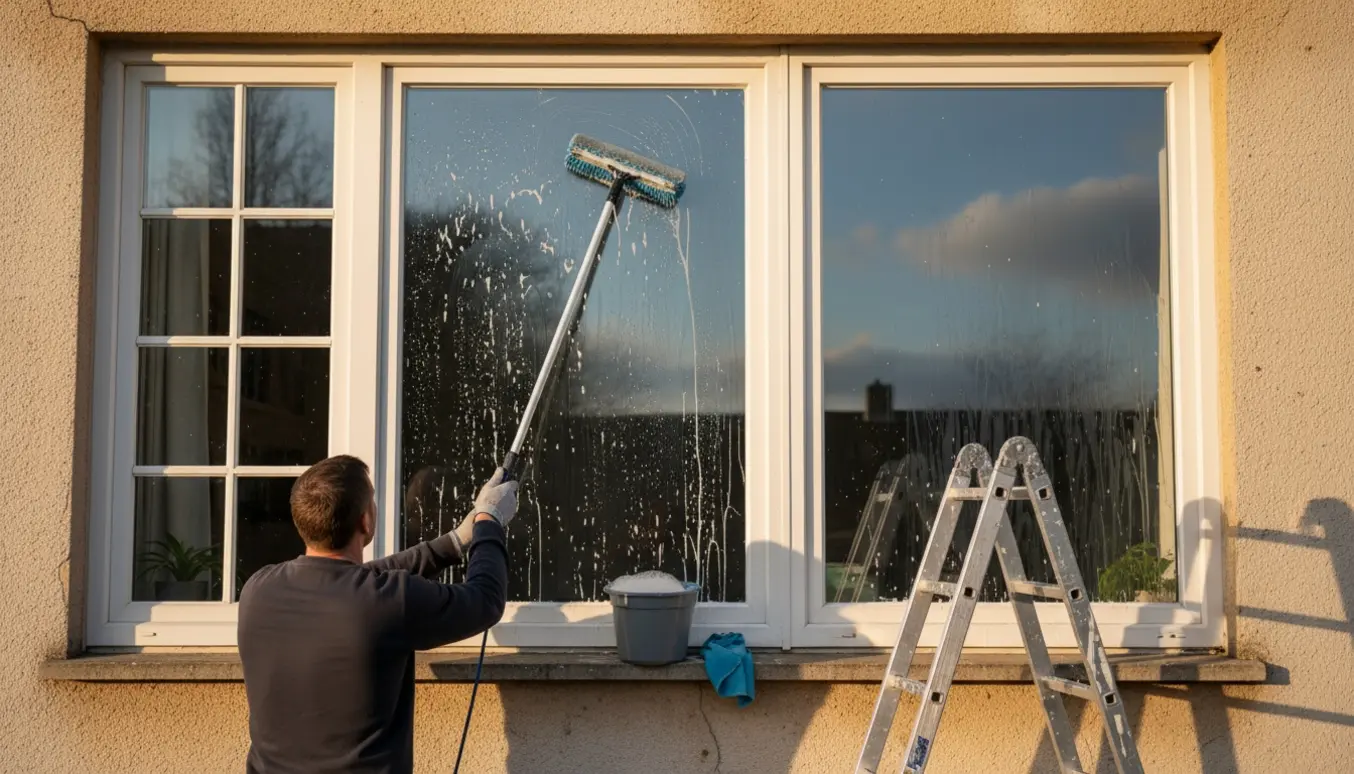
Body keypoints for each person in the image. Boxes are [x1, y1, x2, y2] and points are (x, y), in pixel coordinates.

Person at [238, 455, 516, 774]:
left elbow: (353, 581)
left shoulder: (257, 590)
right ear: (365, 522)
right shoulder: (386, 603)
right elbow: (485, 599)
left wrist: (454, 542)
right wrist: (488, 522)